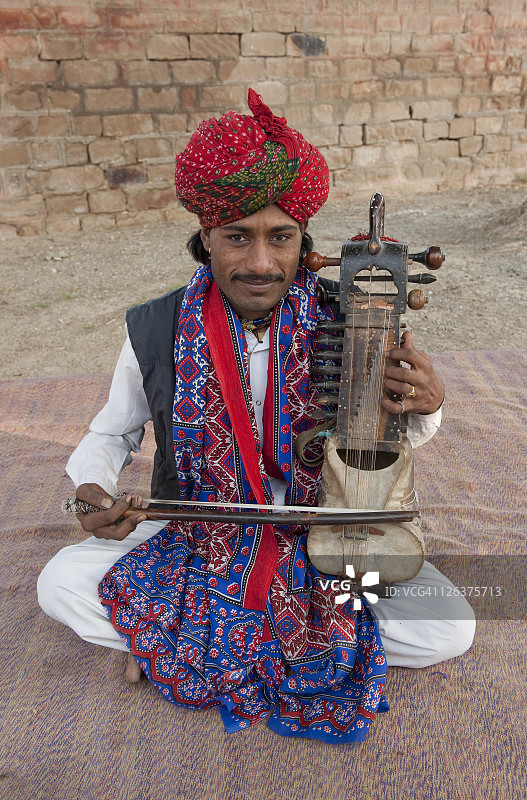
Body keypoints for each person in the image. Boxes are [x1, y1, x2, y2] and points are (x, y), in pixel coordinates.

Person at [38, 89, 475, 744]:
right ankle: (273, 651)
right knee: (58, 583)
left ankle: (184, 645)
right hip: (204, 535)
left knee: (452, 626)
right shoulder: (158, 328)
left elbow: (397, 432)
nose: (261, 262)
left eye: (282, 238)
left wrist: (427, 405)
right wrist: (87, 496)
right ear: (205, 240)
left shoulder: (355, 317)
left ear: (307, 244)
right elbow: (111, 430)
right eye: (237, 237)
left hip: (327, 535)